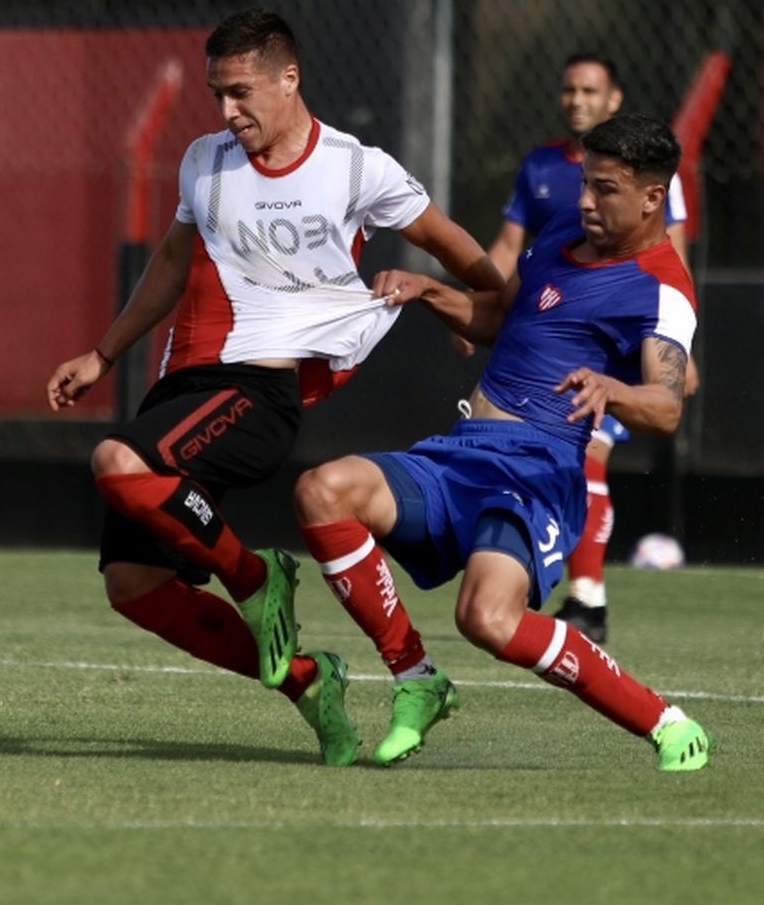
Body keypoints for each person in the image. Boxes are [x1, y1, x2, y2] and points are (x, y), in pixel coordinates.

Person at [46, 9, 503, 767]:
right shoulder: (204, 160)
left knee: (119, 465)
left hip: (259, 395)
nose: (227, 111)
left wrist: (486, 316)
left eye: (240, 92)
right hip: (181, 392)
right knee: (133, 586)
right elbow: (168, 263)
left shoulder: (358, 168)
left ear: (289, 79)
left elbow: (455, 246)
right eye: (216, 94)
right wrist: (102, 354)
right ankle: (305, 681)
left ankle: (258, 577)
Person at [290, 113, 712, 771]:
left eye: (604, 189)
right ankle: (417, 679)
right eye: (584, 183)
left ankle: (662, 719)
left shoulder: (662, 289)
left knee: (485, 618)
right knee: (323, 491)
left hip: (538, 476)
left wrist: (613, 388)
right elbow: (496, 316)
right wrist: (429, 289)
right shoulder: (559, 234)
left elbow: (666, 403)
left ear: (653, 197)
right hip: (463, 454)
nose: (583, 201)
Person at [482, 52, 699, 644]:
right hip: (553, 325)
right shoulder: (542, 167)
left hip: (615, 345)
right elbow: (508, 246)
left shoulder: (646, 176)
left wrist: (674, 341)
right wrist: (485, 305)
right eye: (568, 90)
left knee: (587, 455)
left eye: (589, 90)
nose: (576, 100)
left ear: (613, 99)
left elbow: (665, 257)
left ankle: (586, 598)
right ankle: (557, 589)